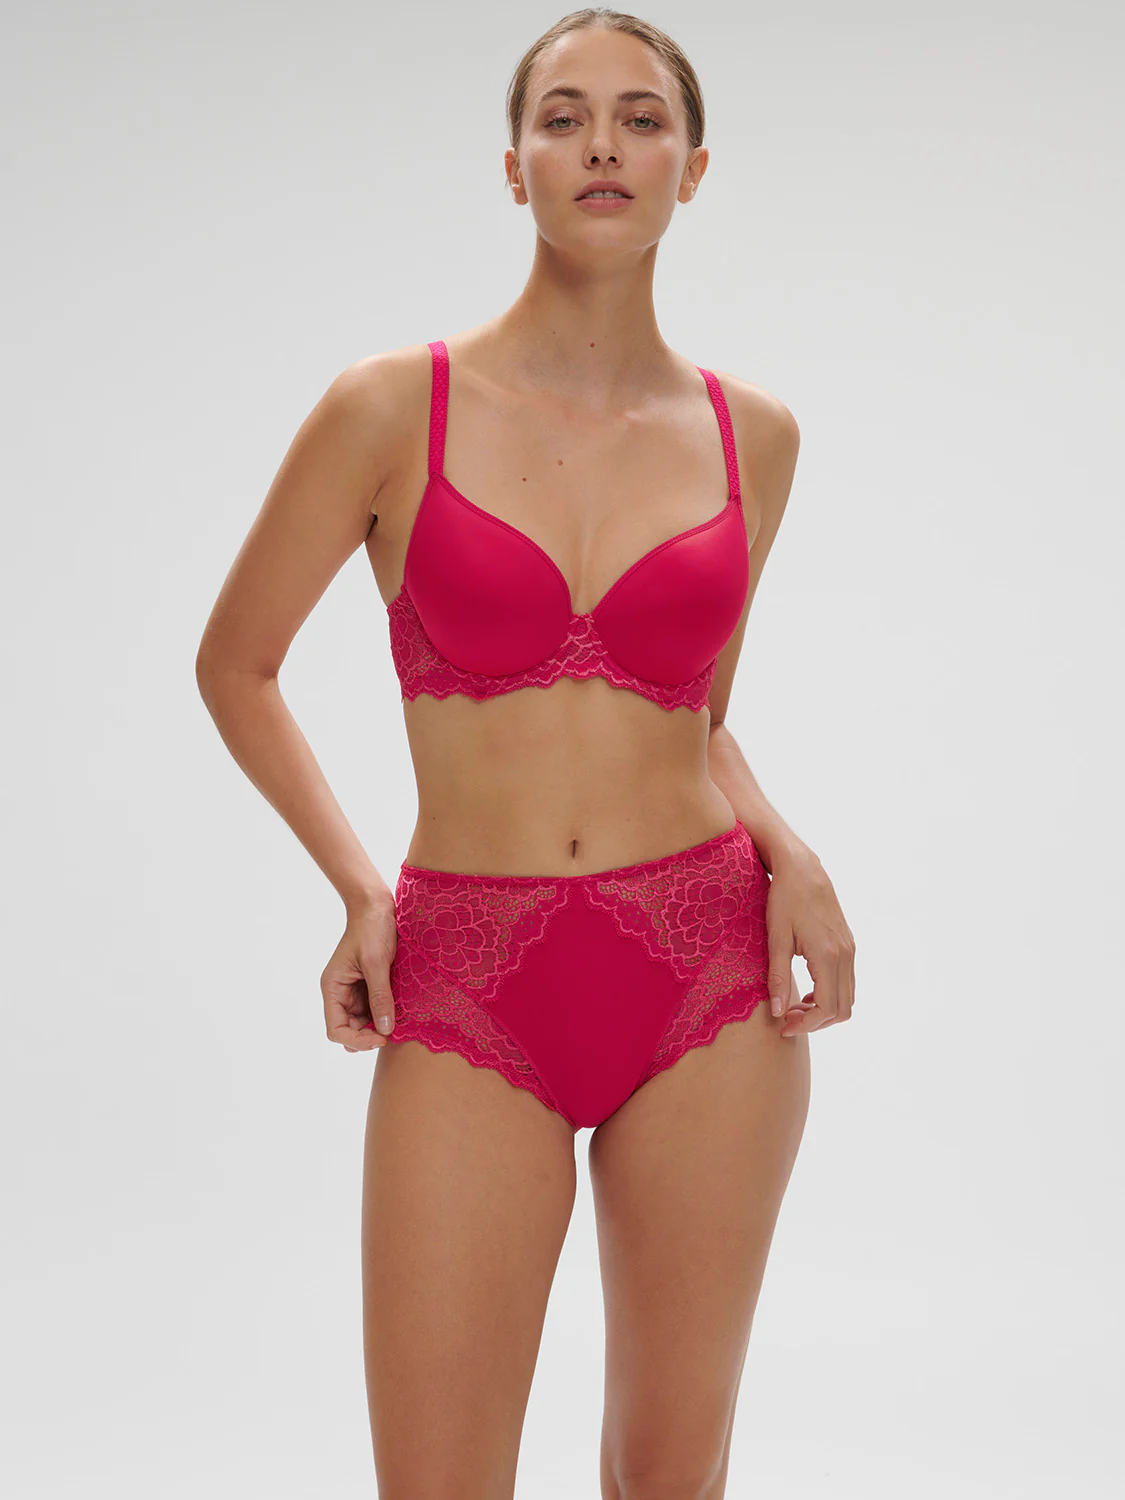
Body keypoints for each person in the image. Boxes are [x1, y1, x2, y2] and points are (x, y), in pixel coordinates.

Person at [196, 8, 855, 1496]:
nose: (602, 145)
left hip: (707, 970)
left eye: (641, 118)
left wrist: (794, 853)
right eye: (564, 119)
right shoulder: (390, 407)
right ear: (515, 167)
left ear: (693, 167)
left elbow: (693, 714)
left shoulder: (754, 437)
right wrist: (361, 891)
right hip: (467, 971)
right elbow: (235, 666)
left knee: (667, 1479)